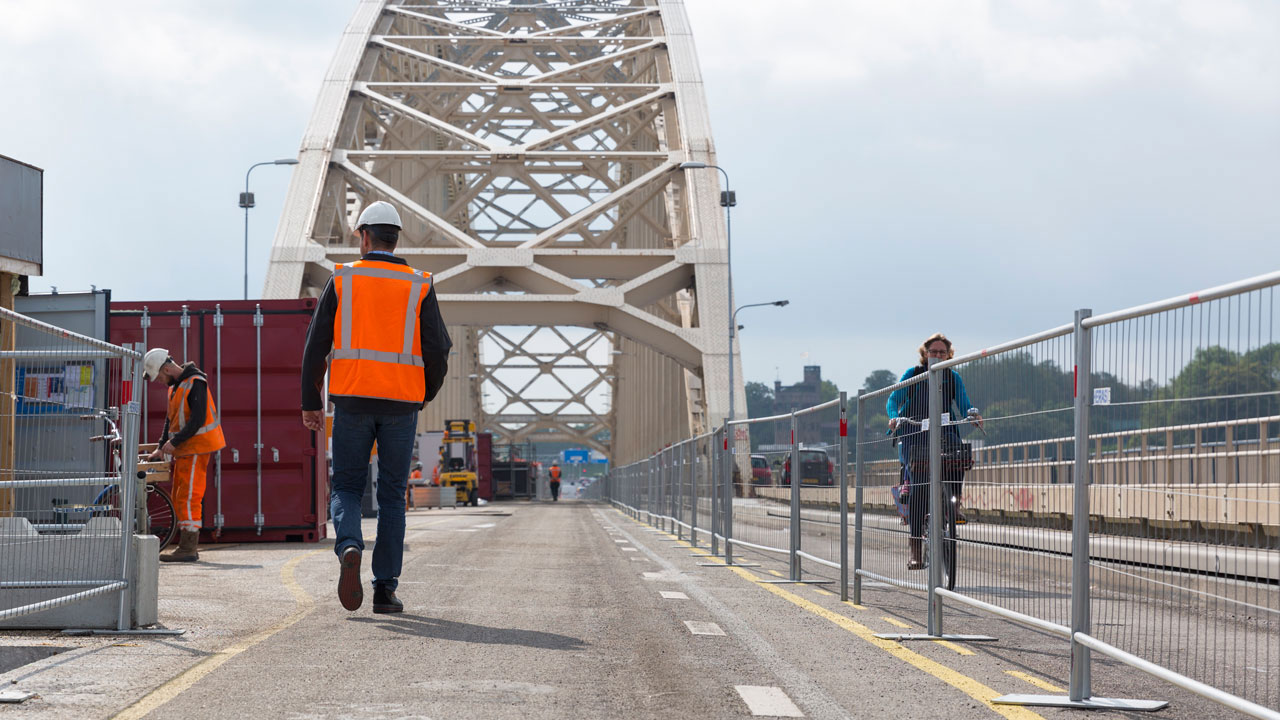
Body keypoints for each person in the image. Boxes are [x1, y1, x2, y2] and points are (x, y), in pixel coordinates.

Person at [301, 201, 452, 614]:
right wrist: (422, 394)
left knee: (348, 487)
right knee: (390, 496)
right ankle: (385, 589)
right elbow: (438, 350)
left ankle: (349, 545)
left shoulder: (344, 279)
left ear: (363, 236)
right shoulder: (420, 284)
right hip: (401, 406)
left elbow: (316, 347)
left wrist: (310, 401)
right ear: (395, 238)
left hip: (351, 402)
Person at [886, 333, 982, 570]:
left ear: (948, 354)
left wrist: (973, 414)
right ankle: (916, 547)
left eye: (942, 352)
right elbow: (893, 399)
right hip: (915, 430)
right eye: (933, 352)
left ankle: (953, 502)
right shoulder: (913, 375)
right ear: (924, 354)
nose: (937, 356)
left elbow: (964, 402)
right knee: (919, 488)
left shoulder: (952, 377)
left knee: (958, 458)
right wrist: (894, 418)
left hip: (944, 431)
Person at [143, 348, 226, 563]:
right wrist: (161, 447)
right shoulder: (175, 388)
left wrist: (174, 442)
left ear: (168, 368)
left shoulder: (196, 383)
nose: (161, 381)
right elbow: (170, 420)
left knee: (189, 495)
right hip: (186, 449)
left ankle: (188, 547)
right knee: (181, 494)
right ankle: (186, 545)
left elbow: (197, 420)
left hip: (197, 447)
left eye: (160, 376)